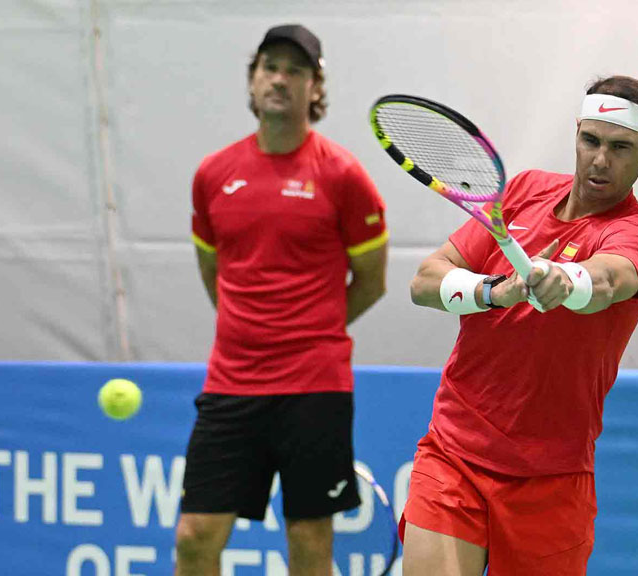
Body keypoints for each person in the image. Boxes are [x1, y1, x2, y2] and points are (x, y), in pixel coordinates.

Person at [401, 75, 638, 576]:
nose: (600, 160)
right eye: (590, 140)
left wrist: (566, 281)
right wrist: (491, 291)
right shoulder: (521, 192)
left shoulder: (636, 237)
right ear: (576, 133)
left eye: (621, 147)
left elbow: (607, 281)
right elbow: (424, 282)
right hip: (455, 450)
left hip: (551, 476)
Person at [174, 24, 389, 576]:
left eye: (296, 70)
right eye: (270, 66)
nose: (280, 79)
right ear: (252, 80)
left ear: (315, 88)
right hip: (231, 385)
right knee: (195, 537)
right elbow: (211, 267)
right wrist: (251, 328)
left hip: (314, 387)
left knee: (309, 542)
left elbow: (371, 279)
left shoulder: (344, 176)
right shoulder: (212, 175)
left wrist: (308, 329)